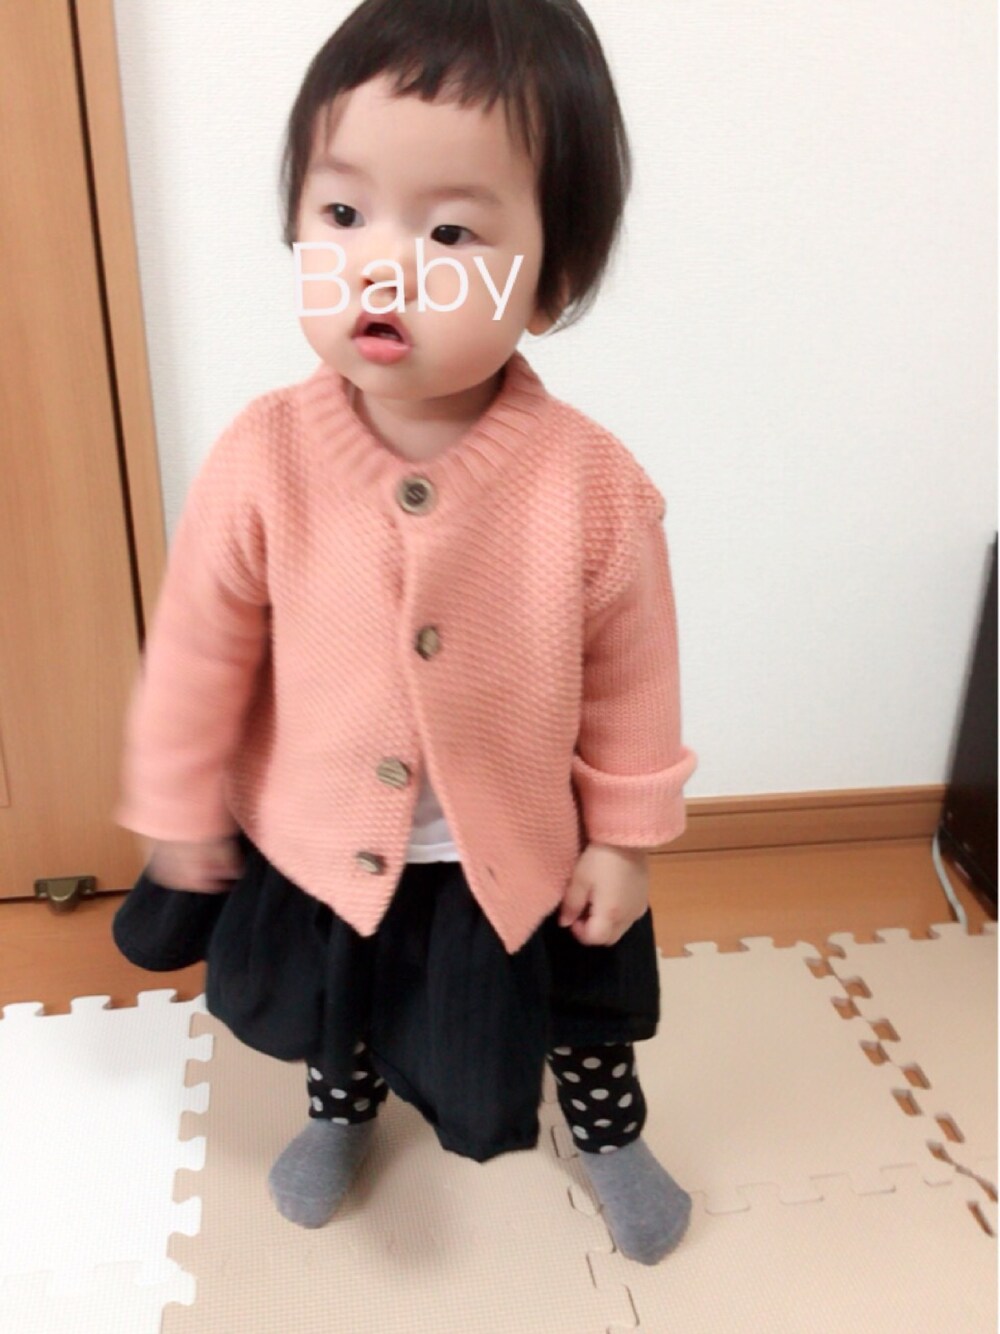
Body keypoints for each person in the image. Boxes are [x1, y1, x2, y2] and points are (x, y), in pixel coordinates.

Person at [112, 0, 698, 1267]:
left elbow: (633, 682)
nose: (383, 265)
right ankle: (341, 1113)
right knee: (347, 1003)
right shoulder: (263, 456)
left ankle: (606, 1134)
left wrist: (626, 839)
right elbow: (200, 647)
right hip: (324, 832)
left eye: (450, 233)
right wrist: (178, 796)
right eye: (342, 212)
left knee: (581, 1014)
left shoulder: (591, 484)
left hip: (519, 850)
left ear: (551, 282)